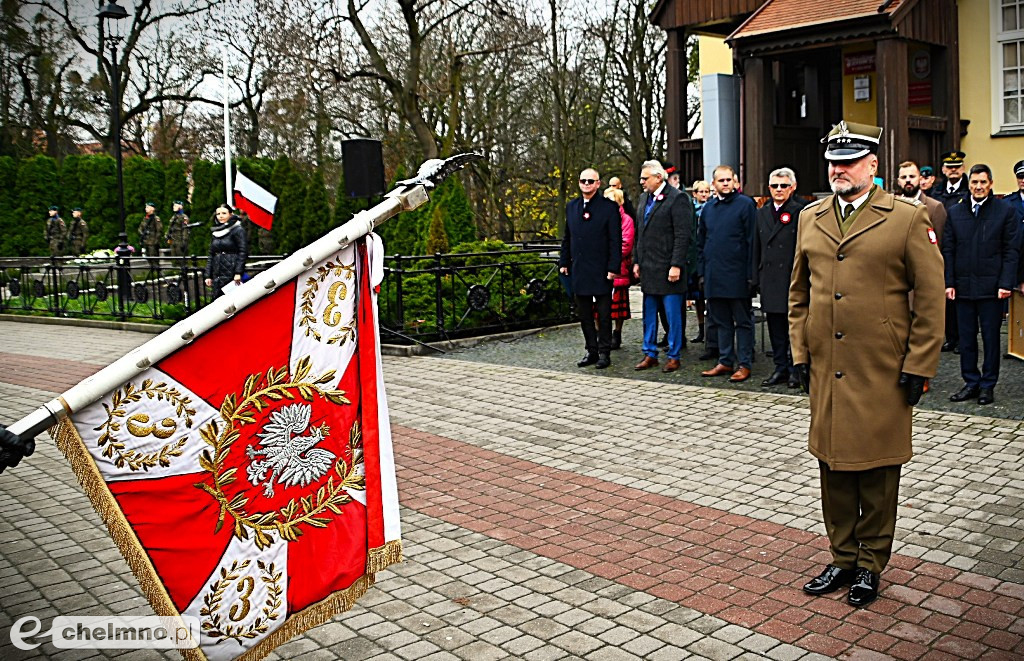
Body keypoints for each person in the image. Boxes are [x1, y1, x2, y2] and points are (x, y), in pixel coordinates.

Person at [790, 120, 944, 608]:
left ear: (872, 165)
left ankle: (871, 564)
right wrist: (799, 351)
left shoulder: (905, 218)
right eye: (834, 160)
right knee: (833, 466)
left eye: (850, 160)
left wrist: (919, 364)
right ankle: (841, 556)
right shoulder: (810, 217)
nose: (839, 169)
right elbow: (798, 294)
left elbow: (931, 297)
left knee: (877, 472)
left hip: (881, 367)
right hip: (826, 366)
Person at [942, 164, 1019, 406]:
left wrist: (1006, 282)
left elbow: (1011, 251)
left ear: (991, 184)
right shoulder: (955, 212)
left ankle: (987, 385)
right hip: (962, 288)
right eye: (974, 182)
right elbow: (949, 250)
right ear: (969, 184)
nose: (978, 187)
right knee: (966, 339)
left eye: (983, 182)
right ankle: (971, 382)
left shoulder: (1004, 211)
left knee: (990, 339)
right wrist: (949, 282)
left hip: (992, 289)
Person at [698, 165, 757, 383]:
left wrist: (752, 275)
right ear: (713, 184)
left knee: (742, 321)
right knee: (720, 320)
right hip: (714, 275)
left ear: (735, 182)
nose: (725, 183)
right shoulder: (708, 208)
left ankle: (744, 363)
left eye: (728, 180)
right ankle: (725, 360)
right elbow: (702, 242)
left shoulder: (746, 205)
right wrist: (702, 273)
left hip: (738, 275)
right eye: (720, 180)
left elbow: (752, 242)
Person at [632, 160, 692, 372]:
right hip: (648, 267)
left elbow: (682, 235)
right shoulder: (643, 198)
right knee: (648, 313)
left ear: (659, 178)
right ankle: (650, 353)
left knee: (673, 315)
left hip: (668, 269)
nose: (641, 182)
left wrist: (676, 264)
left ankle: (674, 354)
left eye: (645, 178)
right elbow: (640, 232)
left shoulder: (678, 199)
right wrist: (637, 260)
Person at [559, 168, 621, 369]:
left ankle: (604, 352)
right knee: (584, 313)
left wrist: (613, 266)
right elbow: (567, 237)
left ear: (598, 184)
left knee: (603, 315)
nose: (586, 184)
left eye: (590, 181)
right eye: (583, 180)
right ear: (579, 183)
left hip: (602, 269)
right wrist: (564, 262)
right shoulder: (571, 206)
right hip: (580, 268)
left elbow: (615, 240)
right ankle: (591, 350)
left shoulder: (608, 207)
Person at [754, 167, 806, 388]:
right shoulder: (762, 212)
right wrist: (755, 277)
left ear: (793, 187)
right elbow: (755, 247)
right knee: (775, 327)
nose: (778, 190)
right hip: (770, 278)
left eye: (783, 185)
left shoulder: (802, 210)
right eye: (774, 186)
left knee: (793, 327)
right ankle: (780, 367)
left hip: (793, 278)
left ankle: (796, 369)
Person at [603, 188, 635, 350]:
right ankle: (602, 335)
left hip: (618, 268)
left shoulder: (626, 220)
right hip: (600, 269)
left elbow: (626, 245)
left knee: (617, 310)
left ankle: (617, 334)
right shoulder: (600, 217)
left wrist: (607, 254)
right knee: (599, 307)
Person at [204, 204, 249, 294]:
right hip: (217, 274)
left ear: (230, 214)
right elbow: (211, 254)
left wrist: (238, 272)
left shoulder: (238, 230)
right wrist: (208, 275)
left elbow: (243, 252)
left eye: (224, 213)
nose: (220, 216)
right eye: (218, 214)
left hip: (232, 272)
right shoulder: (216, 231)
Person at [688, 181, 711, 347]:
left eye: (707, 191)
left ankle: (711, 331)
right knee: (697, 298)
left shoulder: (711, 210)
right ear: (694, 193)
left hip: (708, 256)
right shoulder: (690, 211)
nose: (704, 194)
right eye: (701, 192)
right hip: (694, 258)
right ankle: (701, 329)